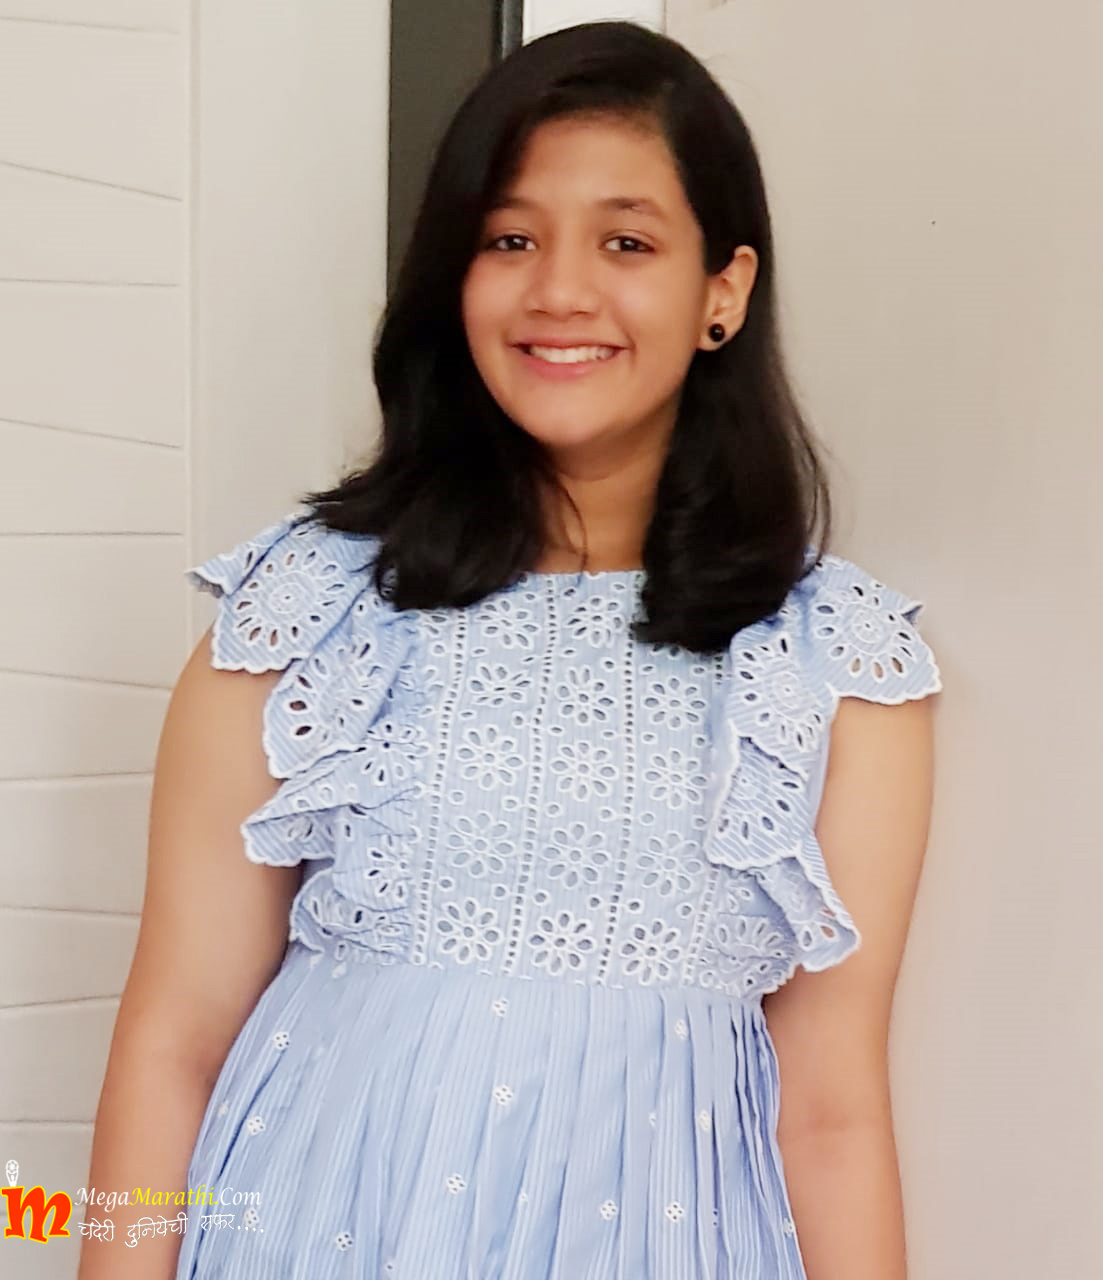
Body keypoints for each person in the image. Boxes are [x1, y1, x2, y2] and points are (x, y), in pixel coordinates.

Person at [79, 21, 941, 1280]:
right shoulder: (305, 606)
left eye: (626, 242)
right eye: (509, 239)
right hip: (310, 1228)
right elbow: (172, 1040)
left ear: (723, 289)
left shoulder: (833, 658)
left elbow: (830, 1109)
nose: (559, 293)